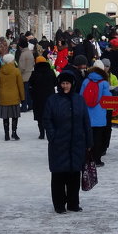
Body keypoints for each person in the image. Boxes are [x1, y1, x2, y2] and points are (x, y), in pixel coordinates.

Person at [43, 71, 92, 213]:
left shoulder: (79, 100)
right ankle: (59, 205)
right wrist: (53, 136)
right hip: (58, 144)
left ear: (72, 84)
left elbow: (86, 121)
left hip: (77, 143)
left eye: (68, 83)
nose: (65, 86)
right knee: (58, 176)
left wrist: (89, 142)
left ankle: (73, 203)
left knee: (74, 176)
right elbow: (47, 119)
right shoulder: (53, 100)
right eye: (63, 83)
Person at [81, 61, 113, 165]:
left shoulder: (86, 81)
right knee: (98, 138)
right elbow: (107, 99)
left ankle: (86, 158)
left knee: (87, 137)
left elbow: (81, 96)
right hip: (99, 115)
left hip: (87, 115)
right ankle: (97, 160)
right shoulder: (104, 83)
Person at [30, 56, 57, 139]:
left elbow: (31, 84)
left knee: (40, 116)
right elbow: (55, 83)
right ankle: (50, 131)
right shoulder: (51, 72)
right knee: (50, 114)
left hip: (38, 97)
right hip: (50, 96)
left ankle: (42, 133)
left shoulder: (34, 73)